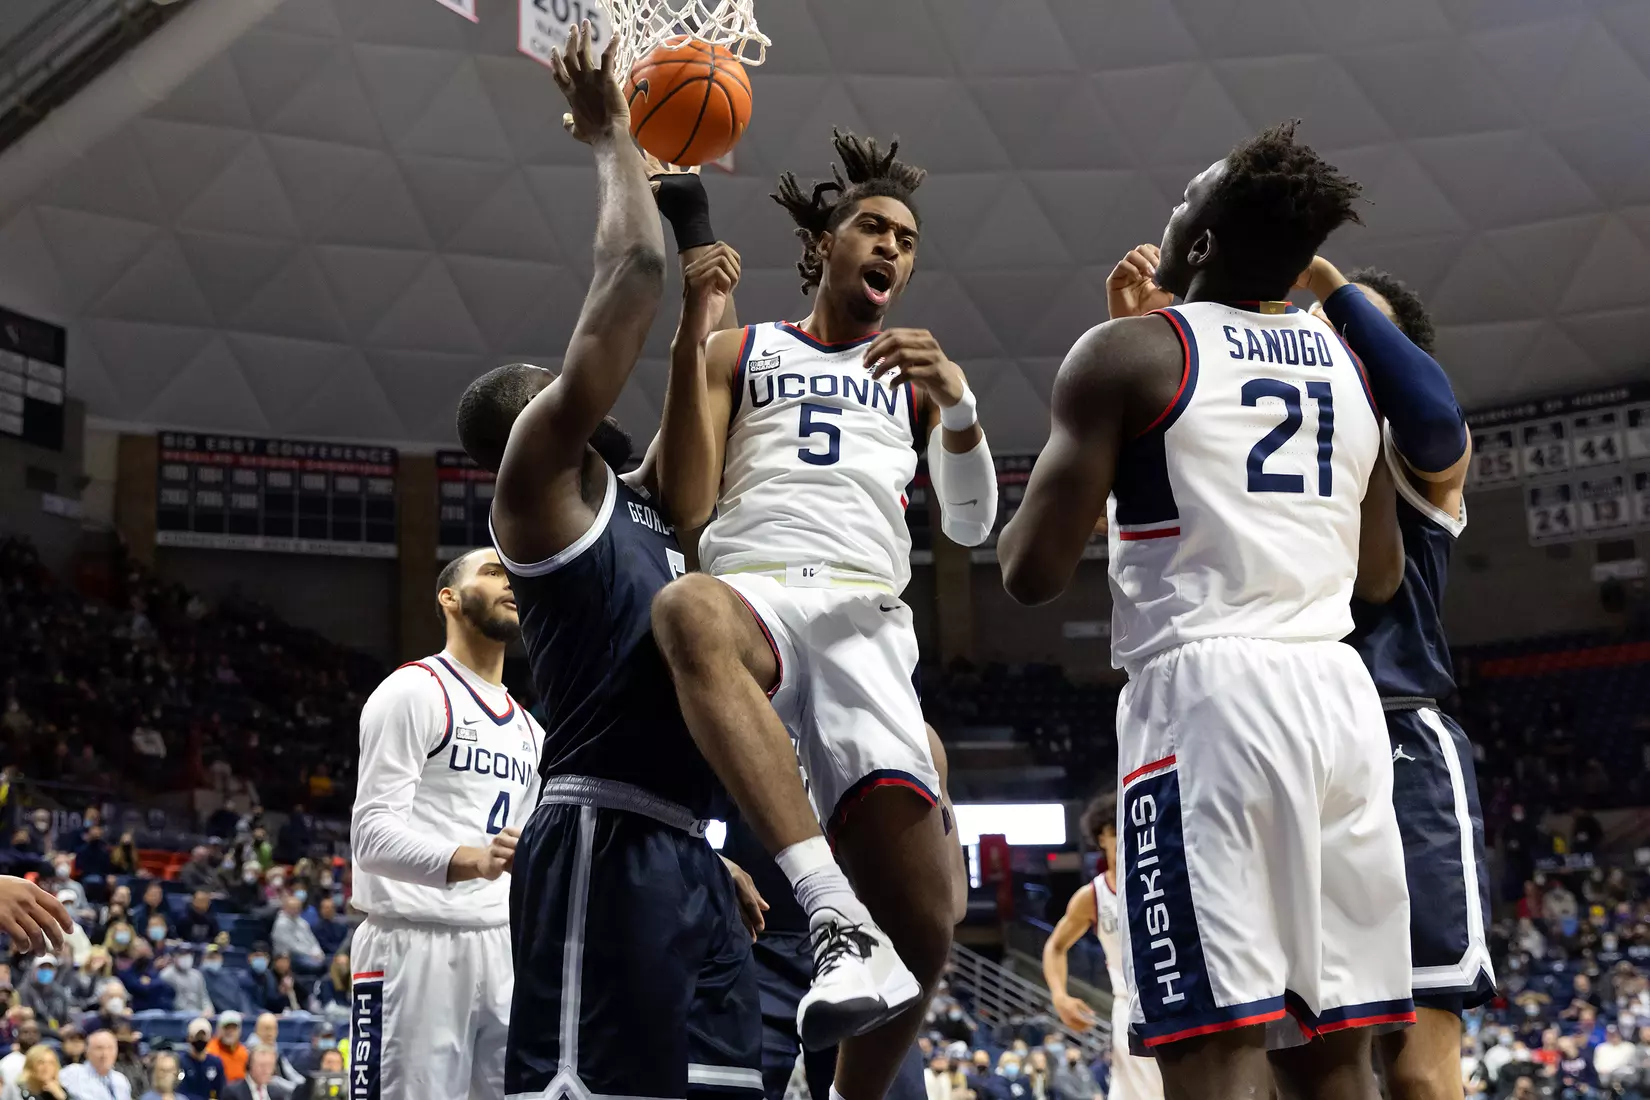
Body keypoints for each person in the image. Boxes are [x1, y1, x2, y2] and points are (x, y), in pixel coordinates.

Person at [998, 122, 1413, 1100]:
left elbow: (1028, 571)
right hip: (1339, 698)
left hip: (1209, 702)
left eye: (1186, 196)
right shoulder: (1349, 363)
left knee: (1213, 1044)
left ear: (1205, 244)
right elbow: (1381, 578)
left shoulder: (1129, 354)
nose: (1170, 207)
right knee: (1335, 1052)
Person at [649, 124, 997, 1093]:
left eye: (907, 239)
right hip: (755, 583)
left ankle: (839, 1090)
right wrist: (693, 331)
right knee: (687, 605)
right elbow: (684, 502)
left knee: (929, 923)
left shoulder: (917, 377)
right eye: (874, 227)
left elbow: (969, 525)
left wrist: (962, 407)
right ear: (827, 245)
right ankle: (829, 905)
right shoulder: (741, 348)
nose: (891, 246)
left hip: (865, 617)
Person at [455, 23, 763, 1100]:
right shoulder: (538, 495)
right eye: (556, 385)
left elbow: (694, 487)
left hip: (683, 843)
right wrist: (609, 137)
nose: (578, 388)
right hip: (598, 833)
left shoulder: (630, 508)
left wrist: (702, 317)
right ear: (531, 424)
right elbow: (627, 272)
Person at [1295, 257, 1492, 1100]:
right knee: (1305, 1060)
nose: (1331, 342)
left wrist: (1323, 279)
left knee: (1415, 1069)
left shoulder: (1422, 456)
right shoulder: (1281, 459)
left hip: (1397, 734)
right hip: (1294, 736)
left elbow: (1435, 415)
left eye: (1351, 332)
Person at [346, 540, 543, 1100]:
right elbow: (371, 837)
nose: (510, 582)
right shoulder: (414, 690)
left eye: (515, 574)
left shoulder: (533, 732)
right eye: (492, 571)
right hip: (414, 945)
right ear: (450, 599)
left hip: (503, 947)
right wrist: (474, 860)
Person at [720, 724, 964, 1100]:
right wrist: (715, 862)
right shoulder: (746, 703)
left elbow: (952, 898)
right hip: (757, 945)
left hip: (867, 948)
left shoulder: (913, 732)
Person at [1042, 793, 1162, 1100]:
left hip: (1176, 998)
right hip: (1129, 1006)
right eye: (1115, 830)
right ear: (1101, 838)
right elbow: (1055, 946)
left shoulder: (1164, 879)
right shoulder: (1092, 896)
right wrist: (1059, 995)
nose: (1124, 835)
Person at [59, 1030, 130, 1100]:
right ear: (87, 1051)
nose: (105, 1054)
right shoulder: (72, 1073)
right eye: (99, 1048)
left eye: (110, 1048)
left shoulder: (121, 1080)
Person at [246, 1015, 302, 1093]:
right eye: (266, 1029)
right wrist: (299, 1090)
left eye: (274, 1029)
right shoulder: (250, 1053)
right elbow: (270, 1080)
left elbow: (290, 1072)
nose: (270, 1033)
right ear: (257, 1030)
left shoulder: (274, 1048)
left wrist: (305, 1084)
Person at [178, 1017, 226, 1100]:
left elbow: (222, 1091)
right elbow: (180, 1092)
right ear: (189, 1037)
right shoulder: (180, 1062)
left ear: (209, 1038)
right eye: (197, 1036)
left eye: (203, 1036)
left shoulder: (216, 1063)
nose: (200, 1039)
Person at [160, 948, 212, 1018]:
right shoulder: (166, 975)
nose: (185, 958)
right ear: (174, 957)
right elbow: (170, 1001)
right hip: (177, 1015)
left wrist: (208, 1009)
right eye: (182, 955)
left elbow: (203, 996)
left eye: (188, 955)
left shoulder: (197, 975)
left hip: (199, 1014)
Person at [2, 1045, 67, 1100]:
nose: (46, 1068)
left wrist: (62, 1098)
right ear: (30, 1065)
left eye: (51, 1063)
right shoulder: (17, 1089)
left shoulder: (59, 1090)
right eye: (41, 1063)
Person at [207, 1013, 248, 1084]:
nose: (230, 1032)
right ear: (218, 1029)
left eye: (234, 1028)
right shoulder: (210, 1051)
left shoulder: (244, 1052)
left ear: (239, 1031)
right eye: (226, 1028)